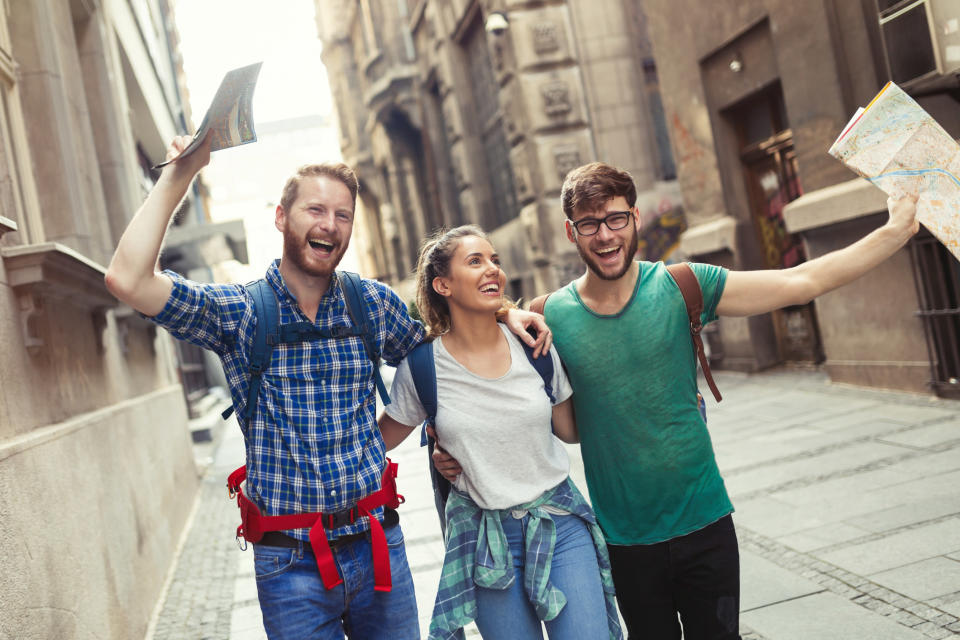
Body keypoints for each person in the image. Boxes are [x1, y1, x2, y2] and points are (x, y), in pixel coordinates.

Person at [434, 162, 920, 640]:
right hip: (625, 540)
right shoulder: (546, 315)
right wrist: (455, 436)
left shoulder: (682, 285)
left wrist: (895, 232)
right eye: (589, 224)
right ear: (571, 232)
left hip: (705, 522)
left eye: (616, 219)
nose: (605, 236)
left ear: (636, 218)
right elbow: (468, 347)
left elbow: (802, 281)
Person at [103, 134, 551, 640]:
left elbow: (444, 359)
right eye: (315, 209)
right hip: (289, 564)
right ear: (280, 218)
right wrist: (180, 173)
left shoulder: (371, 304)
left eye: (343, 215)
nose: (329, 225)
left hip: (378, 543)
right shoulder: (241, 312)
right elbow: (127, 279)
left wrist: (504, 313)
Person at [377, 225, 623, 640]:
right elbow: (373, 444)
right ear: (443, 284)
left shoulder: (534, 344)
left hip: (559, 525)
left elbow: (571, 430)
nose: (493, 269)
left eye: (494, 260)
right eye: (475, 261)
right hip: (484, 542)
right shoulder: (422, 368)